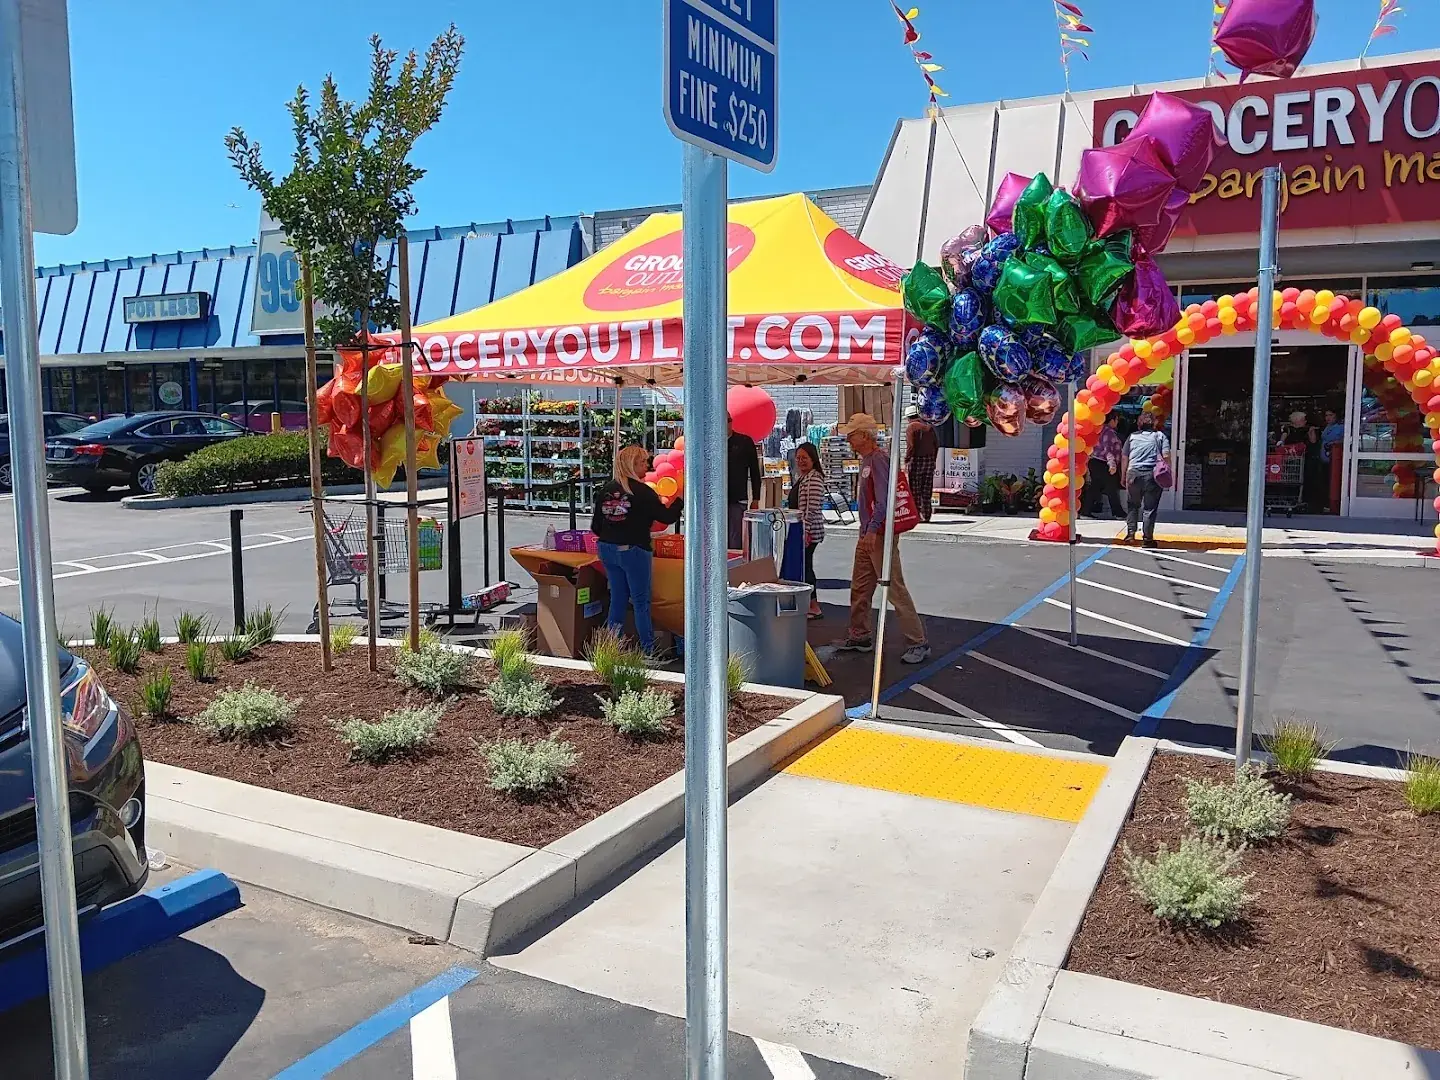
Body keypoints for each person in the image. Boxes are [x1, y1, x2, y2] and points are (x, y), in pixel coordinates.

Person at [836, 413, 930, 663]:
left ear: (864, 436)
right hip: (869, 534)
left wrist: (872, 528)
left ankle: (918, 642)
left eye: (852, 435)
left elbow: (884, 500)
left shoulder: (878, 459)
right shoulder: (870, 459)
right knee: (860, 586)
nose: (849, 440)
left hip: (876, 535)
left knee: (893, 587)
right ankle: (860, 634)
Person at [590, 444, 684, 656]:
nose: (647, 466)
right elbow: (666, 517)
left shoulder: (606, 490)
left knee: (618, 598)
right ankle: (648, 651)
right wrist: (679, 500)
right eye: (643, 462)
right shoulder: (643, 492)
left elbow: (596, 526)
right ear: (633, 465)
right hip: (633, 550)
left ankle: (609, 648)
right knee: (641, 602)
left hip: (607, 548)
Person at [788, 441, 826, 619]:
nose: (801, 461)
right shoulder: (803, 477)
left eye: (805, 458)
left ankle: (813, 605)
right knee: (805, 566)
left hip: (807, 532)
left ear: (813, 459)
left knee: (807, 567)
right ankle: (809, 603)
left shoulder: (813, 479)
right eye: (798, 458)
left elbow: (811, 509)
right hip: (801, 530)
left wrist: (806, 531)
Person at [1121, 412, 1171, 548]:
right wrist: (1169, 472)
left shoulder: (1132, 437)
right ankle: (1147, 539)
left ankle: (1130, 534)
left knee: (1132, 505)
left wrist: (1123, 475)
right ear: (1154, 423)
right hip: (1152, 475)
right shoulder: (1160, 436)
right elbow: (1166, 456)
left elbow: (1125, 457)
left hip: (1133, 474)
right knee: (1150, 508)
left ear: (1139, 423)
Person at [726, 416, 762, 550]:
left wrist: (756, 498)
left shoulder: (744, 442)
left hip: (737, 498)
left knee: (735, 540)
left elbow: (754, 471)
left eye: (727, 421)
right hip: (716, 500)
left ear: (730, 422)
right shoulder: (712, 443)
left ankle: (734, 569)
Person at [1083, 414, 1125, 519]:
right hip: (1103, 462)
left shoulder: (1099, 430)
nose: (1117, 422)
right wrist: (1112, 464)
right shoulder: (1108, 432)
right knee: (1111, 487)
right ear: (1112, 420)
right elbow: (1108, 449)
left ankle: (1085, 511)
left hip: (1095, 462)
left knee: (1095, 487)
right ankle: (1118, 512)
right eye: (1116, 419)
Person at [904, 404, 939, 522]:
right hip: (929, 461)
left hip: (916, 461)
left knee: (915, 490)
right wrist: (933, 459)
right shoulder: (929, 426)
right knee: (927, 490)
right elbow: (936, 445)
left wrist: (906, 460)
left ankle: (917, 515)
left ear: (909, 417)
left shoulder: (911, 428)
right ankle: (927, 515)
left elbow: (911, 446)